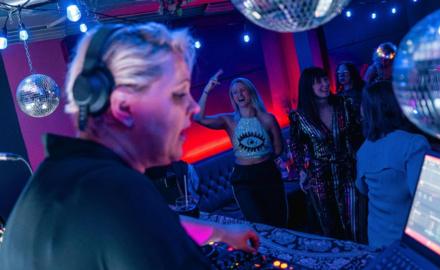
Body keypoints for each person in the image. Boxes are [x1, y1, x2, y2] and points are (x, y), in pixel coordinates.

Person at [0, 23, 259, 270]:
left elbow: (152, 223)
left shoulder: (60, 179)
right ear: (123, 107)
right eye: (179, 93)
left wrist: (221, 232)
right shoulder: (119, 190)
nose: (193, 107)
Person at [194, 72, 287, 227]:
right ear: (232, 97)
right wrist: (206, 90)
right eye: (235, 92)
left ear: (251, 92)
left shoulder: (268, 118)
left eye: (242, 90)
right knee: (258, 224)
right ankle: (262, 251)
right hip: (244, 178)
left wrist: (263, 158)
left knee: (278, 221)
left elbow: (279, 149)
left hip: (268, 173)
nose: (239, 95)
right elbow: (198, 118)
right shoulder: (229, 120)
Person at [289, 67, 364, 241]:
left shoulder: (344, 103)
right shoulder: (299, 116)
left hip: (348, 170)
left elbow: (358, 134)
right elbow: (296, 145)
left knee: (354, 222)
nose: (324, 84)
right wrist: (301, 170)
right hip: (320, 176)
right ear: (308, 87)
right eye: (318, 82)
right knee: (330, 226)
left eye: (325, 79)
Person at [356, 81, 430, 248]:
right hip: (408, 244)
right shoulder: (414, 144)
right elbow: (423, 201)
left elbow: (362, 189)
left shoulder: (364, 149)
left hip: (377, 239)